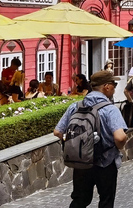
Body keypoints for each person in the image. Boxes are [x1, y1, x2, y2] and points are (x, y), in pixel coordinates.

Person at [53, 70, 127, 208]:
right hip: (105, 161)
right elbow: (120, 136)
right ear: (106, 86)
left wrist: (76, 144)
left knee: (80, 200)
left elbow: (57, 131)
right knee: (106, 201)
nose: (115, 87)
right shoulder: (110, 109)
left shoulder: (75, 106)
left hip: (81, 162)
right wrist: (120, 146)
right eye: (114, 84)